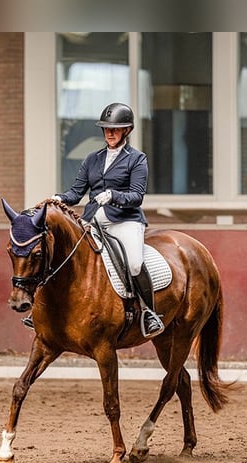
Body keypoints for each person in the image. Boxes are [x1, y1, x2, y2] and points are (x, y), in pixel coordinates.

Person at [49, 102, 164, 338]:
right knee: (64, 255)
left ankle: (148, 312)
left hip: (125, 220)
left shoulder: (137, 159)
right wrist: (58, 198)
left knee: (133, 263)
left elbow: (137, 196)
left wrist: (113, 195)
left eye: (116, 128)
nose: (110, 133)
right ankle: (45, 312)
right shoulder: (92, 159)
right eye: (106, 129)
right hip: (93, 221)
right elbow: (75, 192)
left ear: (127, 130)